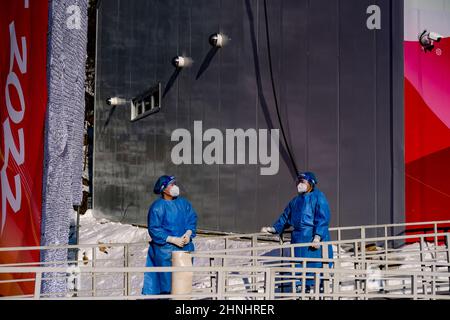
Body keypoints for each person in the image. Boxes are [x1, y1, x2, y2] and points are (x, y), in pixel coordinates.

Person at [261, 171, 333, 292]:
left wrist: (318, 236)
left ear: (311, 183)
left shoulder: (318, 197)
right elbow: (285, 217)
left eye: (303, 182)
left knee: (315, 270)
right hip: (298, 240)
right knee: (299, 270)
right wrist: (275, 228)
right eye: (299, 182)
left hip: (313, 242)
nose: (300, 184)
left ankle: (318, 291)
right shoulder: (295, 201)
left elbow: (323, 218)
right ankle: (301, 290)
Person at [142, 175, 197, 295]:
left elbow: (191, 219)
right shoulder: (157, 207)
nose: (175, 187)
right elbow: (154, 229)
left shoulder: (184, 203)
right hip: (165, 252)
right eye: (171, 185)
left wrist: (188, 233)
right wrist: (172, 239)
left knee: (184, 284)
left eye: (174, 183)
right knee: (166, 284)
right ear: (163, 189)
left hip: (185, 249)